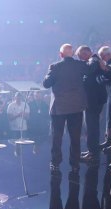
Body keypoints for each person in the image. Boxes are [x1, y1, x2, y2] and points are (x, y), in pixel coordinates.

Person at [43, 43, 88, 172]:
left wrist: (48, 73)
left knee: (57, 136)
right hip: (76, 108)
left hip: (59, 108)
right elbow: (90, 69)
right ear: (73, 54)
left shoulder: (55, 67)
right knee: (75, 137)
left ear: (60, 54)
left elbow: (46, 84)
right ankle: (75, 163)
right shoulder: (80, 65)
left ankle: (55, 162)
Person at [75, 45, 107, 163]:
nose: (80, 59)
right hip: (94, 99)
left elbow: (89, 70)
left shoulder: (93, 60)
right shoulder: (94, 61)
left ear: (86, 53)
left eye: (80, 56)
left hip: (93, 100)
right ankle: (92, 151)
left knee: (91, 126)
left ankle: (92, 153)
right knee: (92, 126)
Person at [97, 46, 111, 154]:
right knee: (109, 119)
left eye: (102, 56)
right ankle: (108, 141)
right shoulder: (110, 64)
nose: (101, 58)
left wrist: (98, 77)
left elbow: (105, 79)